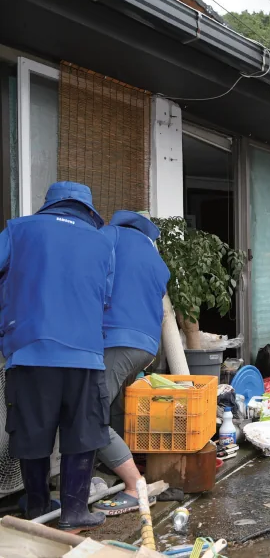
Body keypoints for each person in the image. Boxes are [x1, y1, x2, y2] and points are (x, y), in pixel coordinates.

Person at [1, 182, 113, 532]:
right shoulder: (102, 241)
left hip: (29, 351)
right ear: (88, 210)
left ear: (49, 204)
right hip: (85, 353)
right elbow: (105, 297)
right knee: (83, 431)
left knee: (32, 431)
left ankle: (37, 507)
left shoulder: (17, 230)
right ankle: (74, 511)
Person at [89, 211, 169, 516]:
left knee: (90, 415)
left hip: (116, 340)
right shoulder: (153, 256)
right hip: (146, 346)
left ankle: (135, 486)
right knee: (113, 407)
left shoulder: (109, 236)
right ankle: (107, 469)